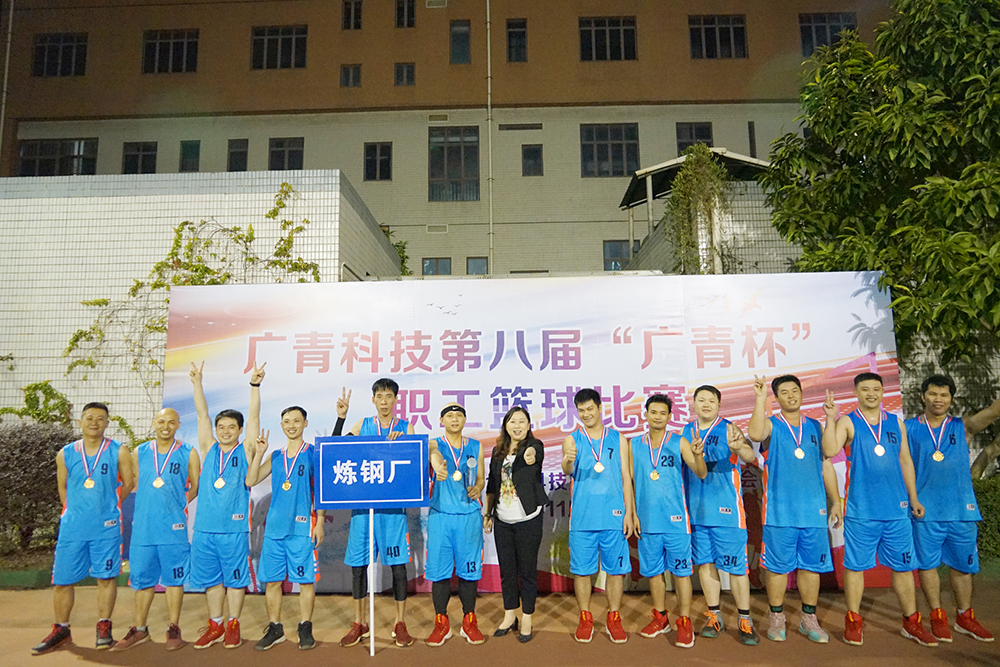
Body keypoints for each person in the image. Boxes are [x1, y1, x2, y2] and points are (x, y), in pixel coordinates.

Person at [822, 372, 937, 647]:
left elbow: (905, 461)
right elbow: (830, 449)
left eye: (876, 389)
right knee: (855, 567)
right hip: (861, 511)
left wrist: (913, 498)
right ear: (856, 392)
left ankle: (911, 622)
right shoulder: (848, 421)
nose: (871, 393)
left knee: (903, 567)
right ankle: (853, 620)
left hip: (897, 511)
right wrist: (830, 418)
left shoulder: (896, 423)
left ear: (883, 392)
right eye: (865, 389)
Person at [32, 402, 134, 655]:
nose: (94, 423)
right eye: (89, 418)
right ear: (80, 422)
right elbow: (63, 487)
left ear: (107, 423)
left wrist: (109, 506)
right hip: (73, 528)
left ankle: (104, 626)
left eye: (100, 419)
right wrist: (73, 511)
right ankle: (61, 629)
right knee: (62, 580)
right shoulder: (65, 453)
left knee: (106, 578)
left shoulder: (118, 451)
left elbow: (128, 483)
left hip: (106, 527)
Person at [747, 375, 842, 644]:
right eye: (784, 392)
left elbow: (826, 463)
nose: (791, 395)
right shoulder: (771, 424)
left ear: (801, 393)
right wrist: (760, 398)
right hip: (780, 512)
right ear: (777, 398)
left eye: (795, 390)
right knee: (777, 569)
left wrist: (836, 501)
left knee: (811, 568)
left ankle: (808, 618)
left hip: (813, 512)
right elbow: (755, 434)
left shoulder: (814, 426)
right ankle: (777, 617)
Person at [906, 374, 1000, 643]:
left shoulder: (963, 427)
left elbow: (993, 412)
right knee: (928, 566)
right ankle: (937, 616)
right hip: (925, 511)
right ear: (923, 396)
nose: (938, 399)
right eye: (933, 394)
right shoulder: (908, 428)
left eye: (944, 395)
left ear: (951, 399)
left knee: (962, 567)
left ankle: (964, 617)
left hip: (961, 511)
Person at [188, 361, 264, 649]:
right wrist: (197, 383)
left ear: (240, 430)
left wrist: (254, 386)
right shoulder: (208, 448)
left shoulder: (245, 449)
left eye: (232, 427)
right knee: (211, 580)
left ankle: (233, 624)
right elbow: (202, 415)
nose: (225, 431)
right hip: (205, 529)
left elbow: (254, 416)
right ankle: (215, 624)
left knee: (235, 580)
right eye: (221, 427)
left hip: (233, 529)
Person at [111, 408, 201, 651]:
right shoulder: (139, 452)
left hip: (173, 527)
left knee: (174, 580)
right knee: (142, 580)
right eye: (161, 421)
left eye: (171, 422)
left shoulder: (188, 452)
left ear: (178, 425)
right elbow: (134, 483)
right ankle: (140, 629)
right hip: (144, 528)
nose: (166, 426)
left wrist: (178, 506)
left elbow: (195, 485)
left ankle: (174, 627)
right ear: (154, 423)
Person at [336, 379, 415, 648]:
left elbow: (414, 462)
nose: (384, 401)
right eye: (379, 396)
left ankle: (399, 623)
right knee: (358, 568)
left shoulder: (405, 427)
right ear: (373, 400)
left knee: (398, 567)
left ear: (395, 400)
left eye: (388, 396)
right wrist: (341, 418)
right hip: (363, 509)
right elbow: (336, 450)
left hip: (392, 511)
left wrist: (403, 444)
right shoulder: (362, 425)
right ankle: (359, 623)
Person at [682, 385, 759, 645]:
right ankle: (714, 616)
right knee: (705, 565)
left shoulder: (729, 429)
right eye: (701, 400)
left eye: (711, 400)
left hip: (727, 513)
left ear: (719, 405)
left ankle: (745, 619)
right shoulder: (686, 432)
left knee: (737, 569)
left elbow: (749, 455)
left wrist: (739, 448)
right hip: (697, 512)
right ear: (693, 404)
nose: (706, 404)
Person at [629, 394, 706, 649]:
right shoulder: (634, 445)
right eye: (653, 412)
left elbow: (700, 472)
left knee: (681, 574)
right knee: (654, 574)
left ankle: (684, 621)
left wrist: (698, 455)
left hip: (676, 522)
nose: (658, 417)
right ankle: (661, 618)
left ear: (669, 416)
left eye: (663, 413)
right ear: (646, 414)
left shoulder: (679, 441)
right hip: (647, 522)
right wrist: (632, 513)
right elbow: (629, 482)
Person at [246, 404, 326, 651]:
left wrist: (320, 522)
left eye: (296, 421)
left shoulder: (312, 454)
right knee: (272, 582)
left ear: (305, 424)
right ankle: (275, 628)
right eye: (287, 422)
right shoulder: (276, 456)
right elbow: (251, 479)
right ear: (281, 425)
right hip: (274, 530)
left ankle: (305, 626)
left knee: (305, 581)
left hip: (302, 528)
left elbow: (321, 491)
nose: (291, 426)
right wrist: (259, 453)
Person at [561, 388, 636, 644]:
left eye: (590, 409)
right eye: (581, 411)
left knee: (615, 572)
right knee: (582, 572)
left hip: (614, 517)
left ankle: (614, 617)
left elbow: (626, 478)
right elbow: (567, 469)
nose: (586, 414)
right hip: (582, 520)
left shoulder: (618, 438)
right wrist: (568, 460)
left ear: (600, 408)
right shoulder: (572, 440)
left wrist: (629, 513)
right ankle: (585, 617)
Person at [484, 406, 549, 643]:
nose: (517, 426)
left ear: (529, 425)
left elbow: (534, 453)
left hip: (528, 519)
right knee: (507, 571)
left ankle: (527, 617)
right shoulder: (497, 452)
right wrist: (488, 513)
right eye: (512, 421)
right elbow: (492, 485)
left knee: (527, 571)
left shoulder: (535, 446)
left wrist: (530, 453)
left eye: (522, 421)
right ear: (505, 425)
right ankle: (509, 614)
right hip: (502, 520)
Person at [425, 403, 486, 646]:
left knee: (468, 573)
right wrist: (437, 466)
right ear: (441, 421)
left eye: (459, 415)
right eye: (449, 416)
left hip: (469, 517)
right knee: (439, 574)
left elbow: (480, 478)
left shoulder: (476, 446)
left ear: (464, 420)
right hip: (441, 517)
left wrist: (478, 488)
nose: (454, 419)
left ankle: (469, 622)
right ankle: (441, 623)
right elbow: (433, 454)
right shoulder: (434, 443)